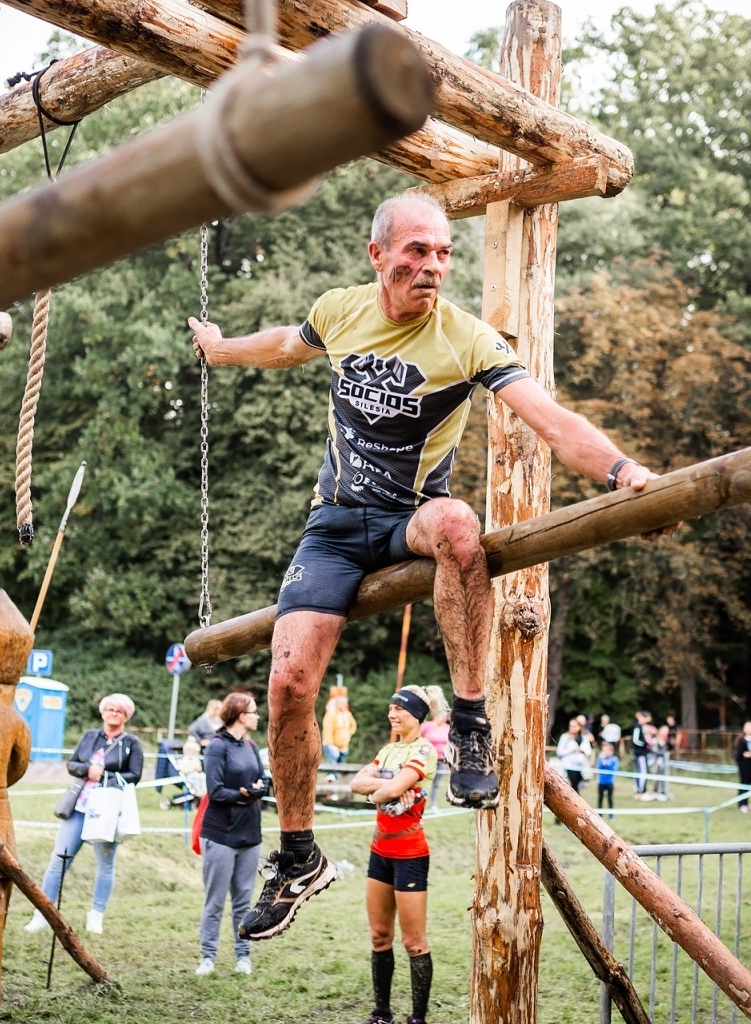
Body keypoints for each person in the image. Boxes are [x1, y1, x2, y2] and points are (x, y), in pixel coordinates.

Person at [188, 192, 657, 940]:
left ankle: (470, 723)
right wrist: (222, 349)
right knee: (287, 684)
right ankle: (300, 856)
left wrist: (624, 473)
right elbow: (286, 342)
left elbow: (552, 420)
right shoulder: (342, 311)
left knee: (461, 524)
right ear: (378, 256)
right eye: (416, 251)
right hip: (333, 528)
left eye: (442, 252)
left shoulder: (466, 339)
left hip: (410, 520)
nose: (432, 266)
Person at [347, 686, 444, 1024]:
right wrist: (382, 787)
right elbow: (355, 783)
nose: (392, 714)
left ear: (416, 715)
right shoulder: (388, 750)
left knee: (414, 941)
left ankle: (417, 1023)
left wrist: (379, 789)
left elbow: (381, 791)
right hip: (379, 853)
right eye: (390, 707)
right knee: (379, 935)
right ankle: (382, 1014)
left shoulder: (424, 750)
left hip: (410, 855)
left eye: (399, 709)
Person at [25, 694, 142, 936]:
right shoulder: (90, 736)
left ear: (126, 716)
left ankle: (96, 916)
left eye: (119, 711)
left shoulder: (132, 742)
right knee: (59, 859)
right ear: (102, 712)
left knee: (105, 865)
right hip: (79, 807)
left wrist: (107, 776)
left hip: (108, 810)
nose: (113, 714)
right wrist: (88, 769)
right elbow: (72, 764)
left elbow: (135, 775)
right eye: (110, 709)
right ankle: (42, 914)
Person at [197, 693, 267, 976]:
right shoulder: (216, 747)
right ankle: (208, 957)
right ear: (241, 716)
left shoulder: (251, 745)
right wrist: (244, 795)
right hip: (221, 834)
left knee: (244, 901)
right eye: (254, 711)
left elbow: (263, 782)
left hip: (250, 833)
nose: (258, 716)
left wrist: (255, 791)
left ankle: (243, 956)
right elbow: (214, 791)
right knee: (215, 902)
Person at [417, 689, 450, 812]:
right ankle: (419, 803)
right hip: (426, 758)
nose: (445, 717)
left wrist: (448, 761)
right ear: (435, 715)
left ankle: (433, 804)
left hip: (441, 759)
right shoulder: (427, 726)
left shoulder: (447, 729)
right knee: (424, 781)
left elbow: (450, 745)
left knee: (436, 783)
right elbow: (418, 739)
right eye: (443, 714)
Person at [555, 717, 593, 798]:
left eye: (574, 726)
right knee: (574, 785)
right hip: (569, 766)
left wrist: (582, 750)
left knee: (576, 785)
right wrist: (571, 750)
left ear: (579, 727)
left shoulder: (584, 738)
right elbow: (559, 752)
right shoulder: (565, 737)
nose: (571, 728)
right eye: (570, 726)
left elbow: (588, 751)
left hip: (581, 767)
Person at [321, 688, 358, 767]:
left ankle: (337, 777)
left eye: (344, 703)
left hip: (344, 746)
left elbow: (353, 724)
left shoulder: (347, 714)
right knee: (334, 756)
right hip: (332, 744)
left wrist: (350, 733)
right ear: (337, 703)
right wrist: (331, 744)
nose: (343, 705)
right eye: (341, 703)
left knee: (341, 762)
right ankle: (331, 776)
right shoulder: (331, 714)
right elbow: (328, 730)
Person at [733, 722, 751, 811]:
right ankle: (741, 804)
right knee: (744, 783)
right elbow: (741, 753)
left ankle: (746, 803)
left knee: (749, 783)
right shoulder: (741, 740)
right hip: (744, 765)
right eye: (747, 727)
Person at [628, 710, 652, 798]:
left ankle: (640, 790)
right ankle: (640, 791)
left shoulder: (640, 727)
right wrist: (645, 743)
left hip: (642, 753)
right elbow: (635, 740)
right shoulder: (637, 727)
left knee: (641, 772)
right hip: (639, 753)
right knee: (641, 772)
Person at [649, 722, 672, 801]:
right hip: (655, 762)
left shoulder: (666, 740)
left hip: (664, 762)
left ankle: (663, 791)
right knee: (656, 777)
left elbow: (668, 750)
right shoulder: (655, 739)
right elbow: (654, 750)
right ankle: (655, 791)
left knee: (664, 776)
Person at [595, 741, 619, 815]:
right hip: (601, 782)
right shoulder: (600, 759)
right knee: (600, 798)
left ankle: (611, 814)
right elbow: (598, 768)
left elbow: (614, 769)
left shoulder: (614, 759)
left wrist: (607, 765)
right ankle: (600, 814)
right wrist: (603, 762)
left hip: (610, 782)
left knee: (610, 798)